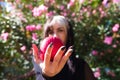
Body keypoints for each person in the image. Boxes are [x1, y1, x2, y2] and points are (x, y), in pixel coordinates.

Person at [32, 15, 97, 80]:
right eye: (51, 32)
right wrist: (46, 74)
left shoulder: (81, 66)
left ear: (68, 36)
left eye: (60, 30)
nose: (55, 36)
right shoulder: (40, 62)